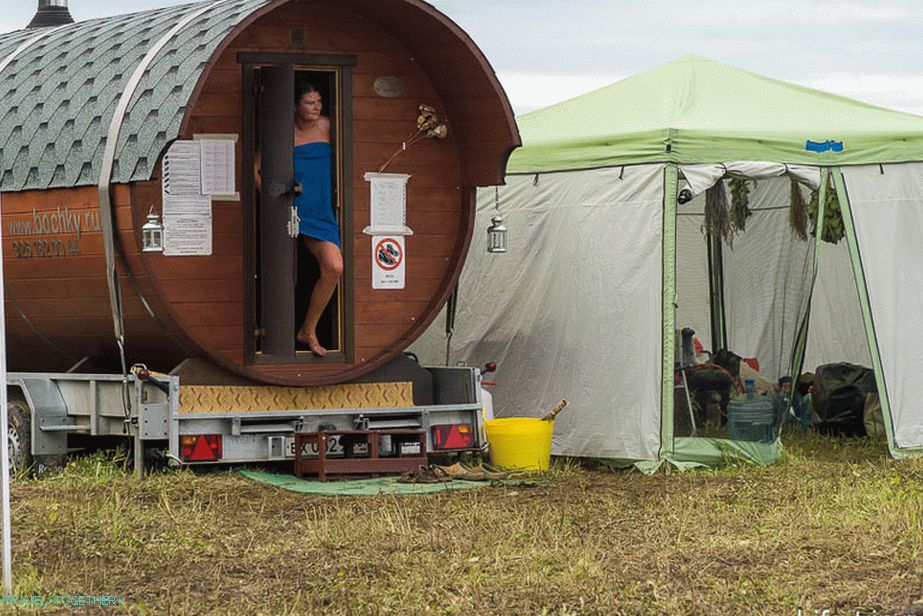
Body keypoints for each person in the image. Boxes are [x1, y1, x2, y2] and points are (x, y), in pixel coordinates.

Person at [292, 83, 343, 356]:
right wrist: (276, 199)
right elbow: (256, 168)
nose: (317, 106)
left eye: (319, 100)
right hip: (298, 212)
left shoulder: (328, 126)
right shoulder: (283, 130)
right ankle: (308, 331)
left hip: (324, 210)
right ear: (295, 106)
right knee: (293, 270)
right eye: (310, 102)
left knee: (334, 268)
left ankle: (307, 329)